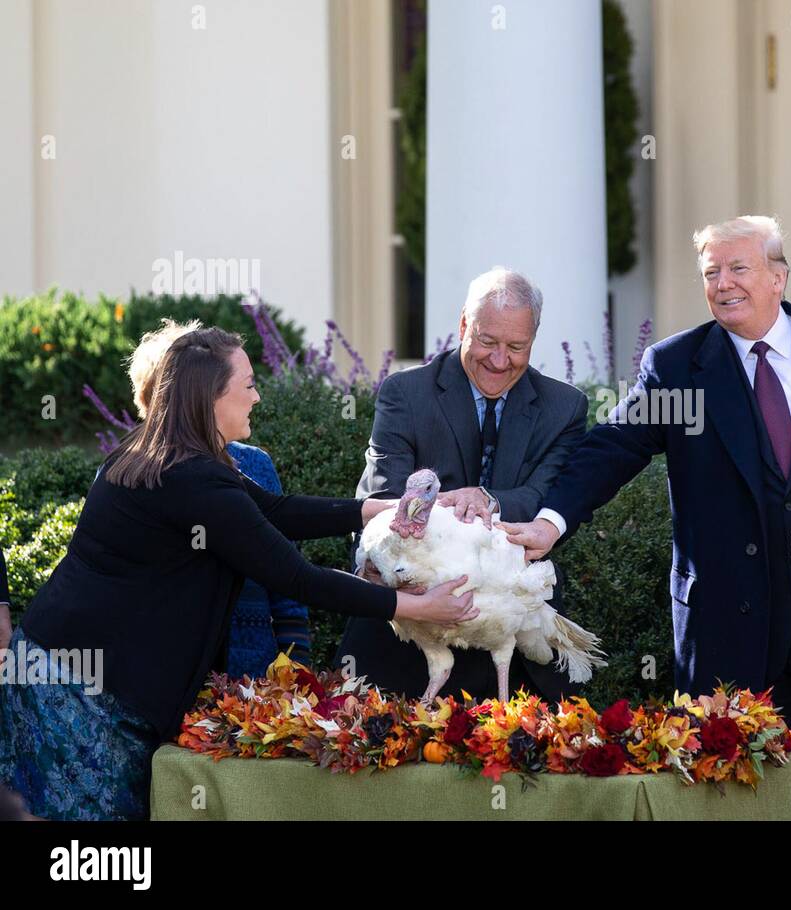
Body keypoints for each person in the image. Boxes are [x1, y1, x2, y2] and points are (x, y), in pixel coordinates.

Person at [502, 216, 791, 820]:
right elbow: (614, 445)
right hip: (736, 630)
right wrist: (550, 521)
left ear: (779, 276)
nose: (722, 284)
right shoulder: (678, 366)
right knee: (745, 796)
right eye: (710, 272)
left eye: (737, 268)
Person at [0, 327, 477, 821]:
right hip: (78, 695)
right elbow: (297, 578)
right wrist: (416, 607)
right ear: (211, 396)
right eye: (248, 384)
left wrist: (396, 507)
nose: (257, 395)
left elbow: (277, 510)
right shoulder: (191, 478)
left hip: (66, 670)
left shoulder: (174, 455)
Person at [335, 267, 588, 703]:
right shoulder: (404, 394)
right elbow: (382, 498)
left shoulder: (565, 408)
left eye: (516, 347)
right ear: (463, 325)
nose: (499, 359)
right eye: (488, 342)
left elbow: (545, 498)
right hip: (405, 631)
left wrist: (485, 500)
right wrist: (391, 565)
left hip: (510, 635)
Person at [129, 319, 312, 676]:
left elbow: (289, 579)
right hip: (166, 670)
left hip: (252, 668)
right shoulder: (131, 473)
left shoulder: (253, 465)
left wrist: (296, 663)